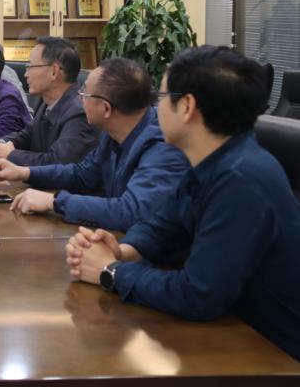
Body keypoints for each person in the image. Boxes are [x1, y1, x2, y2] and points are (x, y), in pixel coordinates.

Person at [66, 46, 300, 362]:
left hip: (272, 354)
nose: (154, 108)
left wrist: (111, 271)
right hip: (230, 333)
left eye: (162, 98)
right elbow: (164, 225)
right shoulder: (212, 159)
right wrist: (121, 250)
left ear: (187, 107)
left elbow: (198, 294)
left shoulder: (241, 179)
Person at [0, 57, 188, 232]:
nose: (79, 99)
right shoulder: (112, 133)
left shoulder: (163, 146)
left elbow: (131, 211)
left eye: (84, 94)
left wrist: (54, 202)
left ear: (106, 108)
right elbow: (81, 174)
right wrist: (23, 173)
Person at [0, 37, 98, 166]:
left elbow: (58, 162)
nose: (26, 74)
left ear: (54, 71)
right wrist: (1, 144)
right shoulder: (47, 101)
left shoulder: (79, 112)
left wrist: (11, 154)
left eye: (30, 66)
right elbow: (27, 135)